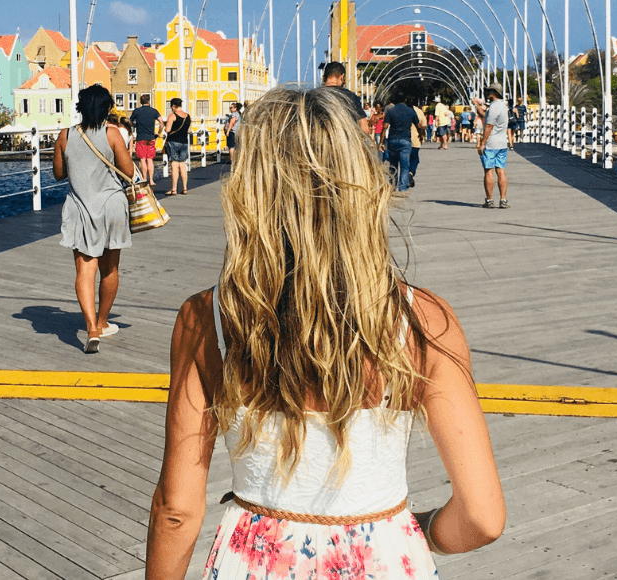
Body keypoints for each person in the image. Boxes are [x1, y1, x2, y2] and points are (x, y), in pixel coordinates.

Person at [144, 86, 505, 580]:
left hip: (253, 562)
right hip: (384, 558)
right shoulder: (422, 320)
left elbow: (177, 510)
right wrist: (422, 532)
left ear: (250, 191)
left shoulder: (208, 319)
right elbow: (483, 518)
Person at [52, 84, 135, 353]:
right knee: (109, 269)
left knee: (84, 271)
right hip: (111, 206)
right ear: (107, 108)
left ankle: (91, 328)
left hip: (81, 208)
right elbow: (129, 171)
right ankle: (102, 321)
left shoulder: (65, 135)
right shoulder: (112, 134)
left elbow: (58, 174)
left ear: (80, 107)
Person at [381, 91, 421, 192]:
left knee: (393, 164)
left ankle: (393, 185)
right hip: (405, 140)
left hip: (393, 140)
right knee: (405, 165)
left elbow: (385, 127)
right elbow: (418, 125)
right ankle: (402, 187)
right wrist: (421, 134)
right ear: (405, 100)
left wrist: (381, 142)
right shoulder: (410, 111)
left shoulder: (390, 111)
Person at [478, 86, 510, 209]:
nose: (487, 94)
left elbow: (489, 126)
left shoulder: (493, 107)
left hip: (491, 144)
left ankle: (490, 200)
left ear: (493, 93)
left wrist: (482, 143)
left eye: (489, 92)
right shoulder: (503, 106)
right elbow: (485, 117)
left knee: (489, 171)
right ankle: (503, 200)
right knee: (501, 170)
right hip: (502, 143)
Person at [320, 62, 368, 134]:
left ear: (323, 78)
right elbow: (364, 128)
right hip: (345, 141)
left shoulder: (314, 96)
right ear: (342, 77)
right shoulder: (350, 97)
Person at [130, 94, 162, 186]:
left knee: (142, 160)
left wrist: (135, 126)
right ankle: (151, 180)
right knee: (150, 159)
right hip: (151, 138)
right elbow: (161, 122)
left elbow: (130, 121)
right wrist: (158, 133)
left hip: (141, 138)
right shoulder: (154, 111)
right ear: (149, 101)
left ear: (140, 102)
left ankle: (144, 178)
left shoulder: (137, 111)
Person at [163, 98, 191, 196]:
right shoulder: (187, 116)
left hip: (173, 142)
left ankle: (174, 189)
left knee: (174, 166)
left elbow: (167, 130)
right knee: (182, 165)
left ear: (173, 106)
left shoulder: (172, 116)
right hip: (184, 142)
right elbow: (189, 131)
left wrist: (166, 125)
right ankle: (185, 188)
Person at [409, 99, 428, 188]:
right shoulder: (419, 111)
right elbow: (424, 125)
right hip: (415, 138)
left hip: (401, 137)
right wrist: (421, 134)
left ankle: (403, 177)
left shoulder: (396, 109)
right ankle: (410, 173)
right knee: (414, 158)